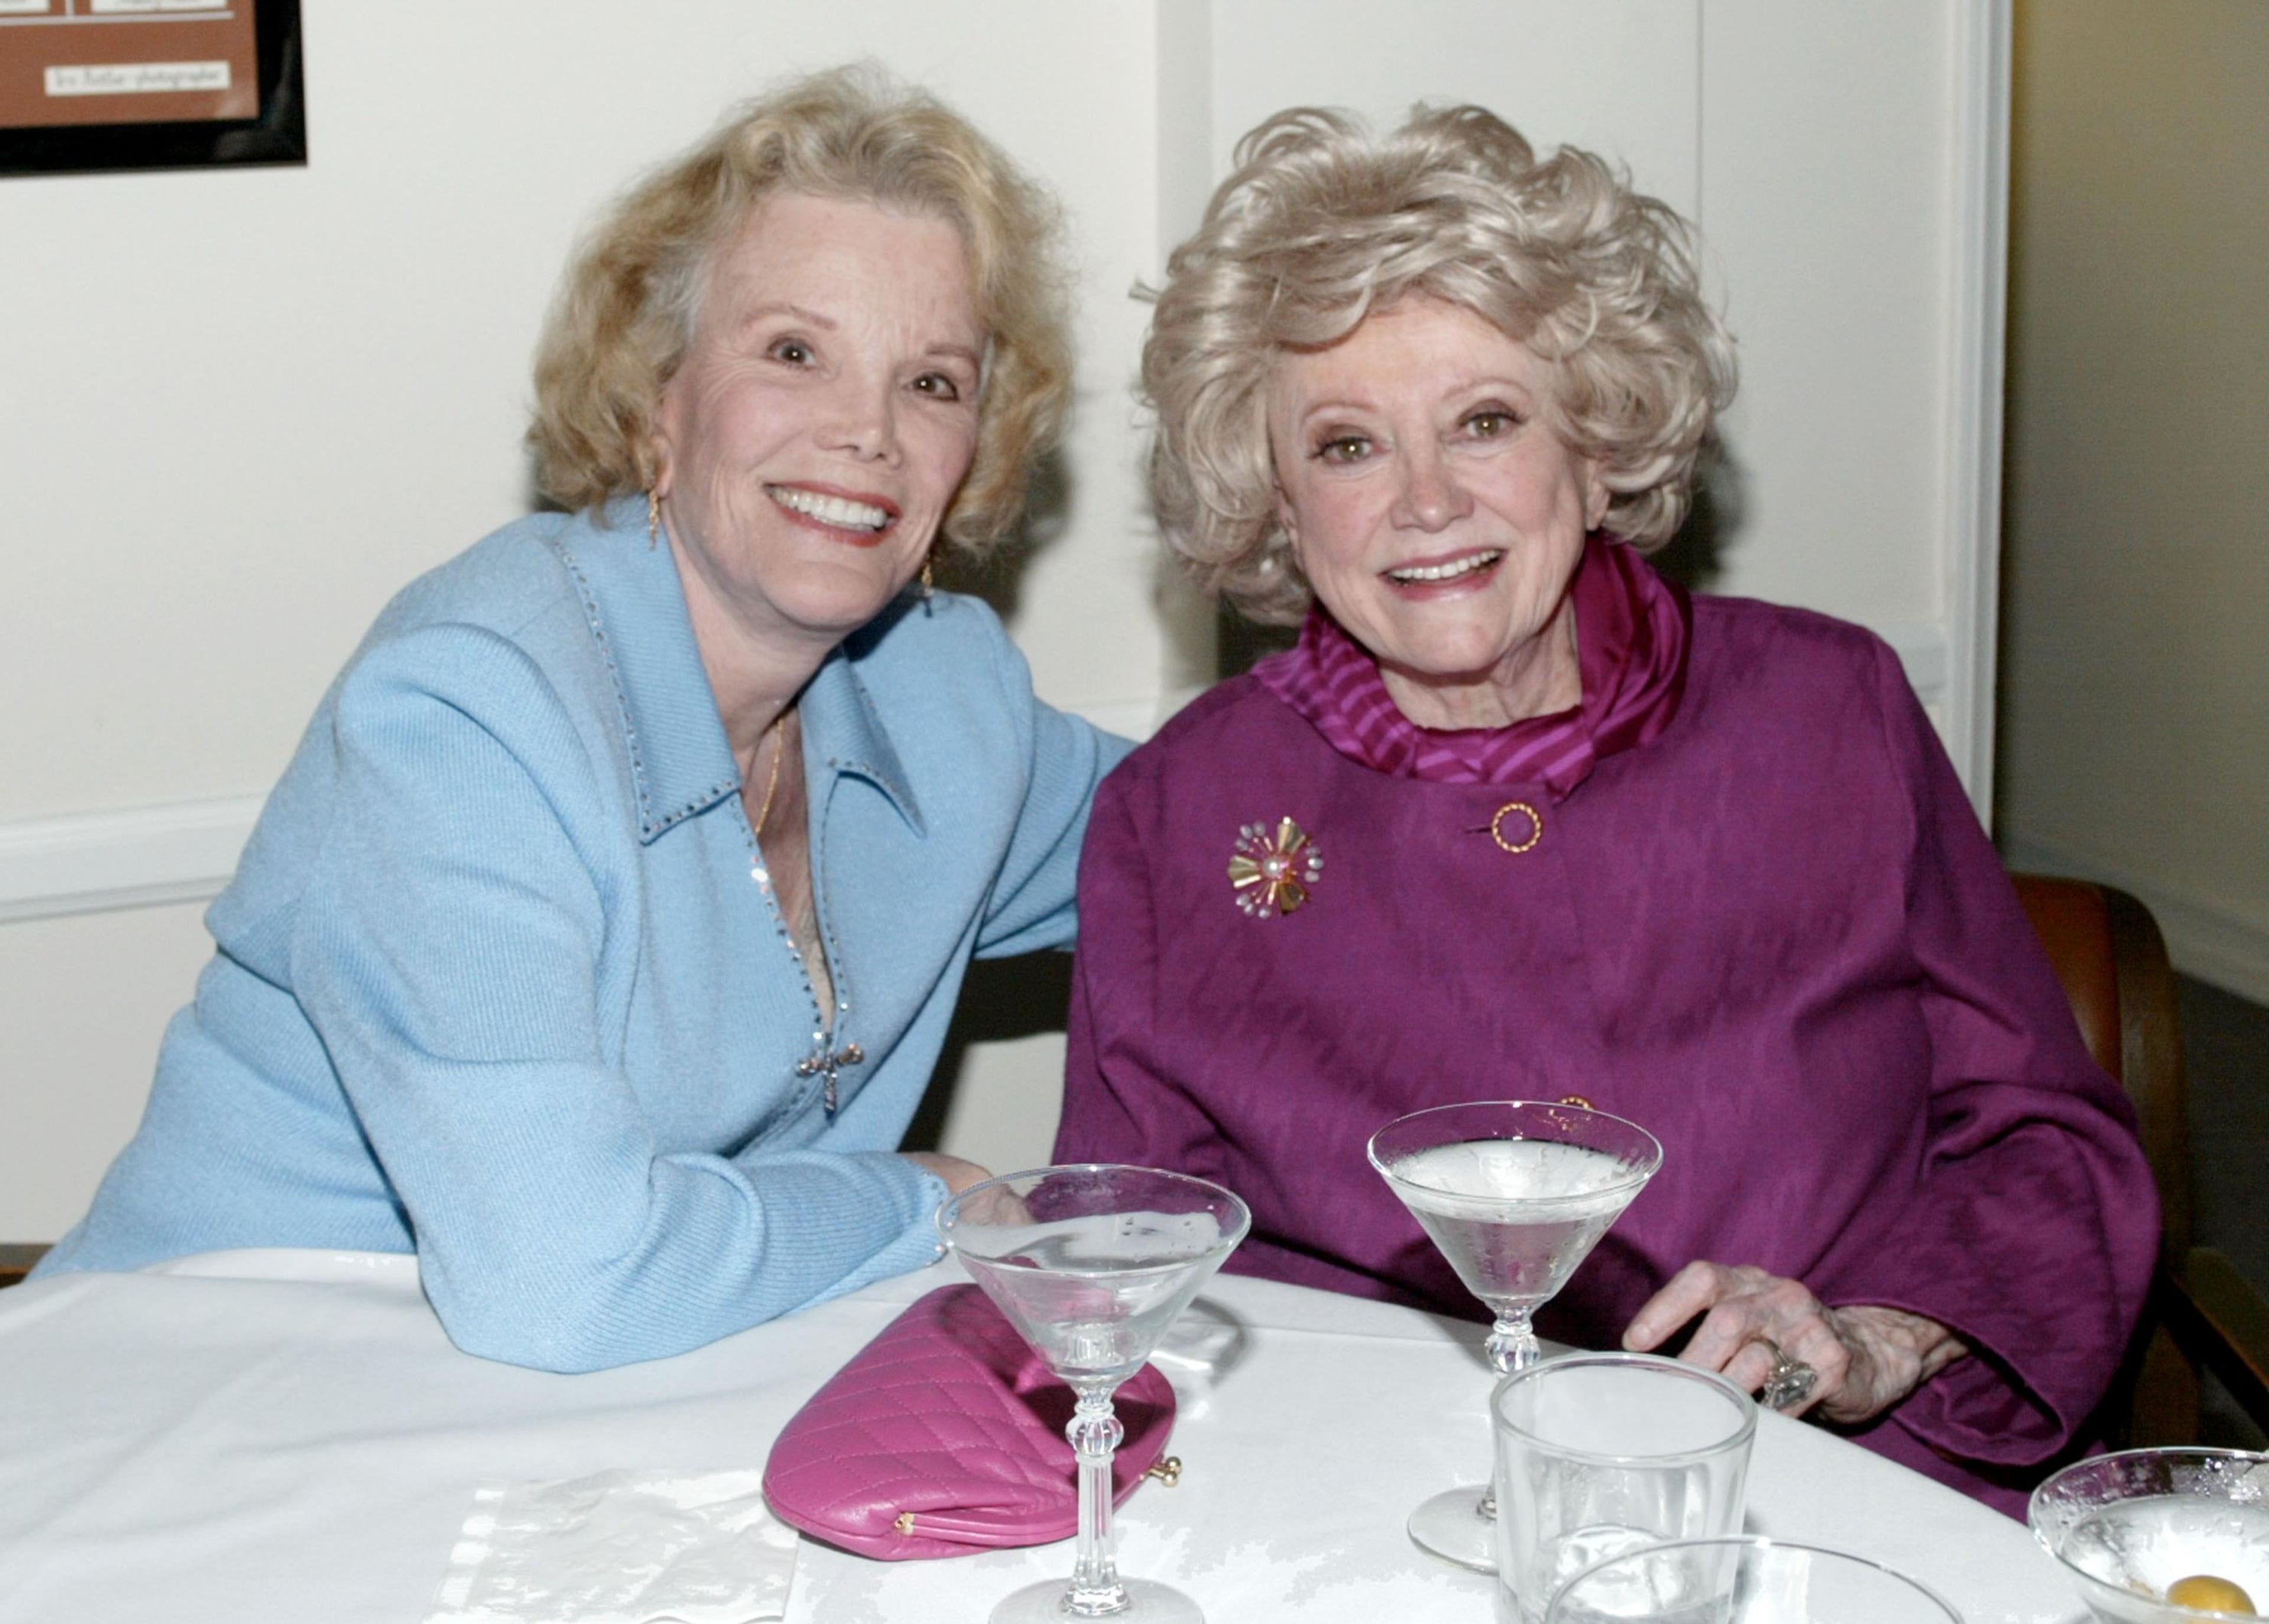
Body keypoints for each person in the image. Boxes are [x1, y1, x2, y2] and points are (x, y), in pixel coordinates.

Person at [1052, 102, 2157, 1511]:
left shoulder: (1831, 714)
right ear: (1274, 496)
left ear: (1595, 443)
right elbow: (1128, 1265)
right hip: (1379, 1513)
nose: (1426, 502)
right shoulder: (1177, 812)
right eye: (1347, 445)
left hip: (1838, 1485)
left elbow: (2053, 1148)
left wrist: (1872, 1340)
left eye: (1487, 421)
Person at [36, 69, 1131, 1372]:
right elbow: (566, 1283)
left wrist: (1425, 674)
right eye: (795, 352)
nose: (867, 432)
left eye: (934, 383)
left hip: (593, 1425)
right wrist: (926, 1199)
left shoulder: (948, 695)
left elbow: (1233, 835)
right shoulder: (470, 709)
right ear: (656, 398)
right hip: (214, 1396)